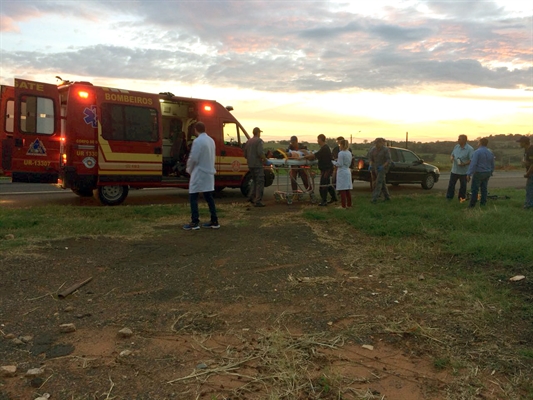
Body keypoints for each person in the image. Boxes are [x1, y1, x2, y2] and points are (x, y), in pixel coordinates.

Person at [183, 121, 220, 230]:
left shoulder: (197, 141)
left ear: (195, 130)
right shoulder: (211, 141)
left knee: (193, 196)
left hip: (199, 172)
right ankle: (214, 220)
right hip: (209, 172)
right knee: (209, 197)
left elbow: (193, 158)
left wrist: (188, 169)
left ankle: (195, 221)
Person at [304, 134, 337, 206]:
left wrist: (305, 156)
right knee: (327, 184)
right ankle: (334, 198)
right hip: (325, 168)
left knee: (323, 185)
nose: (317, 141)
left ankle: (324, 200)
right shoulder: (324, 148)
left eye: (318, 139)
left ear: (321, 139)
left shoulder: (324, 148)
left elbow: (314, 155)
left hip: (327, 169)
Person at [466, 138, 494, 208]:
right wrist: (491, 171)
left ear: (480, 143)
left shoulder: (477, 152)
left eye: (478, 142)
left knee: (475, 189)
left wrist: (469, 173)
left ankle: (472, 205)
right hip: (487, 172)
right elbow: (492, 163)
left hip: (479, 172)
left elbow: (473, 164)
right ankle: (483, 203)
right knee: (484, 188)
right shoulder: (490, 152)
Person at [244, 127, 267, 207]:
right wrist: (265, 159)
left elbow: (245, 154)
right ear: (258, 133)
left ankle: (251, 197)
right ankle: (258, 201)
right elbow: (260, 152)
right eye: (259, 132)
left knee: (254, 181)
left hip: (250, 164)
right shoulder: (259, 141)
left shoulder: (249, 141)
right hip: (257, 164)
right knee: (260, 182)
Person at [446, 134, 474, 202]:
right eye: (458, 139)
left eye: (459, 139)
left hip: (463, 172)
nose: (458, 140)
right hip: (454, 170)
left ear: (464, 140)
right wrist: (452, 158)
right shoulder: (456, 147)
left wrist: (464, 164)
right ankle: (449, 198)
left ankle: (461, 199)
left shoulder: (470, 149)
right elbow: (452, 154)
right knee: (451, 185)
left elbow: (471, 160)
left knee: (463, 186)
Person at [369, 137, 391, 203]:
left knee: (378, 182)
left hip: (383, 168)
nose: (376, 145)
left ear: (381, 143)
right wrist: (370, 165)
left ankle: (374, 198)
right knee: (382, 183)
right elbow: (371, 158)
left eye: (378, 143)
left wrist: (382, 166)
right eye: (375, 143)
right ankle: (387, 197)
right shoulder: (373, 149)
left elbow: (388, 160)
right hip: (376, 167)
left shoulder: (385, 150)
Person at [332, 139, 353, 208]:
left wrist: (333, 162)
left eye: (340, 144)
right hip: (347, 170)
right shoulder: (349, 153)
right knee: (347, 189)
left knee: (342, 189)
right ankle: (349, 204)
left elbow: (340, 164)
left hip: (342, 172)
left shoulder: (341, 153)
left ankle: (343, 205)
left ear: (342, 145)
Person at [517, 136, 533, 209]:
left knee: (529, 189)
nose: (519, 144)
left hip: (531, 173)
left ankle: (528, 205)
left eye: (520, 142)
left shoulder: (531, 150)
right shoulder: (527, 150)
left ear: (524, 143)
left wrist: (528, 173)